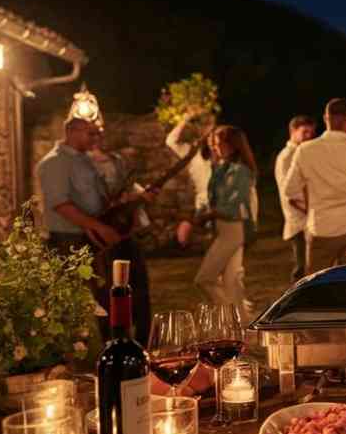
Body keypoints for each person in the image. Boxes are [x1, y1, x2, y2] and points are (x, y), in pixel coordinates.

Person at [37, 117, 152, 343]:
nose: (96, 139)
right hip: (69, 240)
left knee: (110, 294)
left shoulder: (85, 160)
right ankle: (91, 351)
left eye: (98, 133)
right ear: (71, 132)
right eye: (91, 134)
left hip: (94, 237)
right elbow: (60, 204)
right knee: (89, 300)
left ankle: (123, 342)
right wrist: (97, 226)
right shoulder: (53, 163)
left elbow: (101, 198)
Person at [283, 98, 346, 271]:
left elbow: (289, 190)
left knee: (318, 287)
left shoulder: (305, 150)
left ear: (325, 118)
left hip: (321, 228)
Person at [194, 125, 257, 309]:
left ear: (232, 145)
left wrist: (207, 215)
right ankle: (242, 324)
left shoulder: (240, 171)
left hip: (232, 229)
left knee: (204, 279)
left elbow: (232, 205)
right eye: (212, 143)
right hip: (224, 228)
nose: (214, 147)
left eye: (218, 143)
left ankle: (229, 318)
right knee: (231, 282)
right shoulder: (222, 168)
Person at [275, 115, 317, 281]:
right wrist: (310, 210)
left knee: (310, 266)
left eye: (311, 133)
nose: (309, 136)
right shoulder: (287, 156)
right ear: (293, 131)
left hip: (308, 217)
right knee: (302, 268)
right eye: (305, 132)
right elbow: (289, 194)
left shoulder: (302, 153)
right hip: (298, 219)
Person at [166, 111, 214, 248]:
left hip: (217, 197)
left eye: (211, 126)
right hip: (201, 198)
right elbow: (170, 141)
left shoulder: (216, 150)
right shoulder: (189, 150)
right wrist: (185, 119)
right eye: (205, 126)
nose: (208, 131)